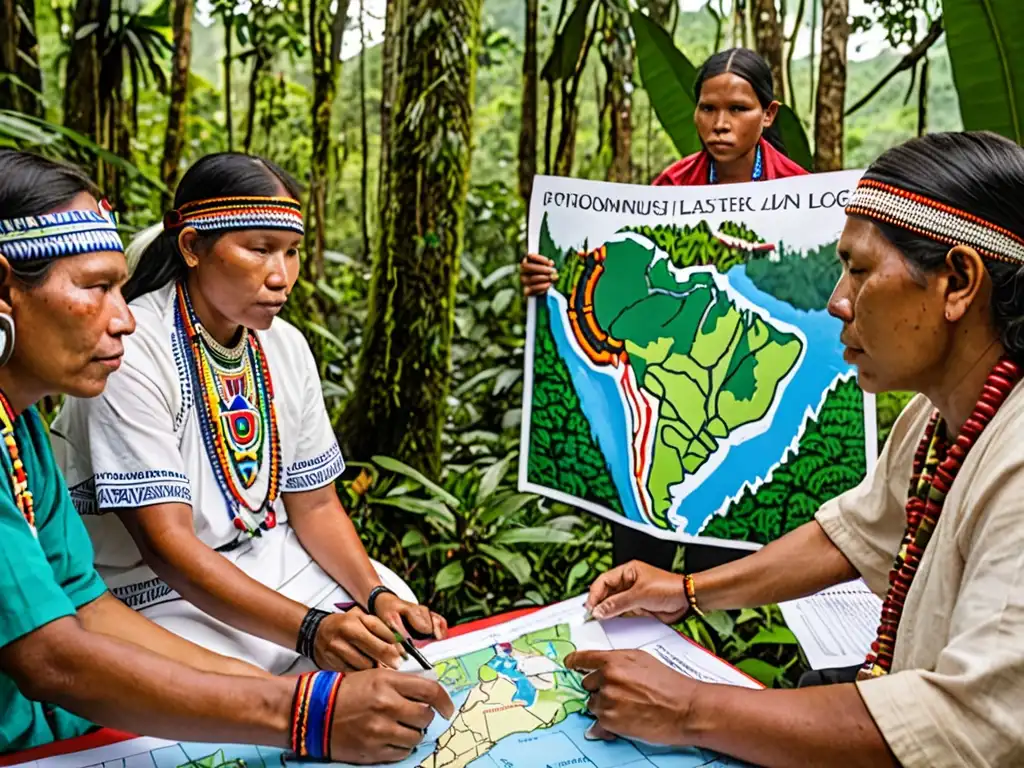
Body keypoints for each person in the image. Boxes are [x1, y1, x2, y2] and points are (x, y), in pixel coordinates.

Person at [564, 131, 1024, 768]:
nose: (836, 301)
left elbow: (966, 725)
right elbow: (853, 534)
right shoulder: (933, 418)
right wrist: (688, 589)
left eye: (859, 270)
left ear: (957, 282)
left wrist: (689, 708)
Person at [0, 149, 453, 760]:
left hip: (260, 569)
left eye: (290, 251)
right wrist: (301, 709)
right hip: (157, 602)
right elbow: (52, 655)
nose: (122, 320)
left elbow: (85, 604)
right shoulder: (133, 362)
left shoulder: (19, 423)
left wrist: (364, 610)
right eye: (95, 288)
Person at [521, 47, 807, 297]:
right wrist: (552, 275)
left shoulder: (801, 191)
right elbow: (628, 267)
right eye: (708, 108)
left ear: (768, 114)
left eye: (737, 109)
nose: (720, 124)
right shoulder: (671, 187)